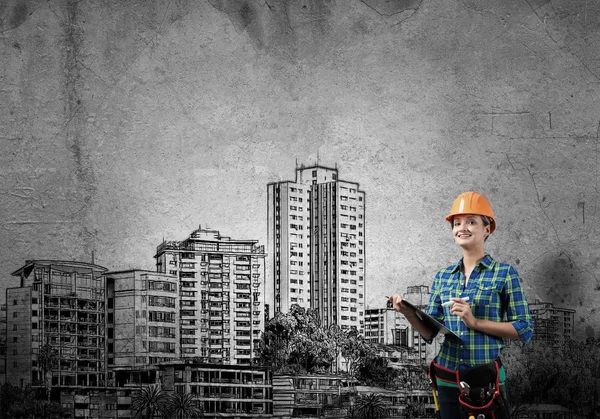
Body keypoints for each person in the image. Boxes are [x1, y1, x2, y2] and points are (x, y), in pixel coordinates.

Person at [389, 191, 533, 419]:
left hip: (484, 381)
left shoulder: (504, 274)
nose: (462, 228)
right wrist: (408, 312)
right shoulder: (443, 277)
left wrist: (474, 322)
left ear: (487, 229)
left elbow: (524, 327)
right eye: (457, 223)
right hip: (446, 378)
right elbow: (430, 332)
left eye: (471, 222)